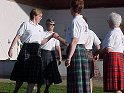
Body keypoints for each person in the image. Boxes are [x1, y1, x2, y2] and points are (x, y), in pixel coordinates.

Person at [8, 8, 53, 93]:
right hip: (26, 49)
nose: (41, 18)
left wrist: (51, 36)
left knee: (33, 75)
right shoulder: (26, 24)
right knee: (21, 74)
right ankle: (16, 90)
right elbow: (18, 36)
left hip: (36, 51)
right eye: (40, 16)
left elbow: (41, 41)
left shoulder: (40, 27)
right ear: (34, 16)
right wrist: (11, 48)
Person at [36, 19, 62, 93]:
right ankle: (38, 89)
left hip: (52, 54)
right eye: (51, 24)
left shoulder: (56, 35)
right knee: (41, 73)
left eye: (53, 25)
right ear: (47, 25)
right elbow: (40, 43)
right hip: (43, 53)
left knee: (51, 73)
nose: (52, 26)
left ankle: (46, 89)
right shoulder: (43, 33)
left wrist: (60, 58)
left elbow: (58, 47)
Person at [102, 12, 124, 93]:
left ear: (111, 22)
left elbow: (108, 49)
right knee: (118, 86)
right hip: (120, 57)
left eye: (108, 21)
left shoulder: (112, 32)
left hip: (113, 58)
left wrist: (99, 53)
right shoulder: (121, 33)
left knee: (116, 87)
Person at [85, 29, 101, 93]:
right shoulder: (91, 32)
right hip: (89, 53)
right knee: (89, 77)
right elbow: (98, 46)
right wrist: (97, 54)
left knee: (81, 76)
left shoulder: (78, 31)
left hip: (80, 53)